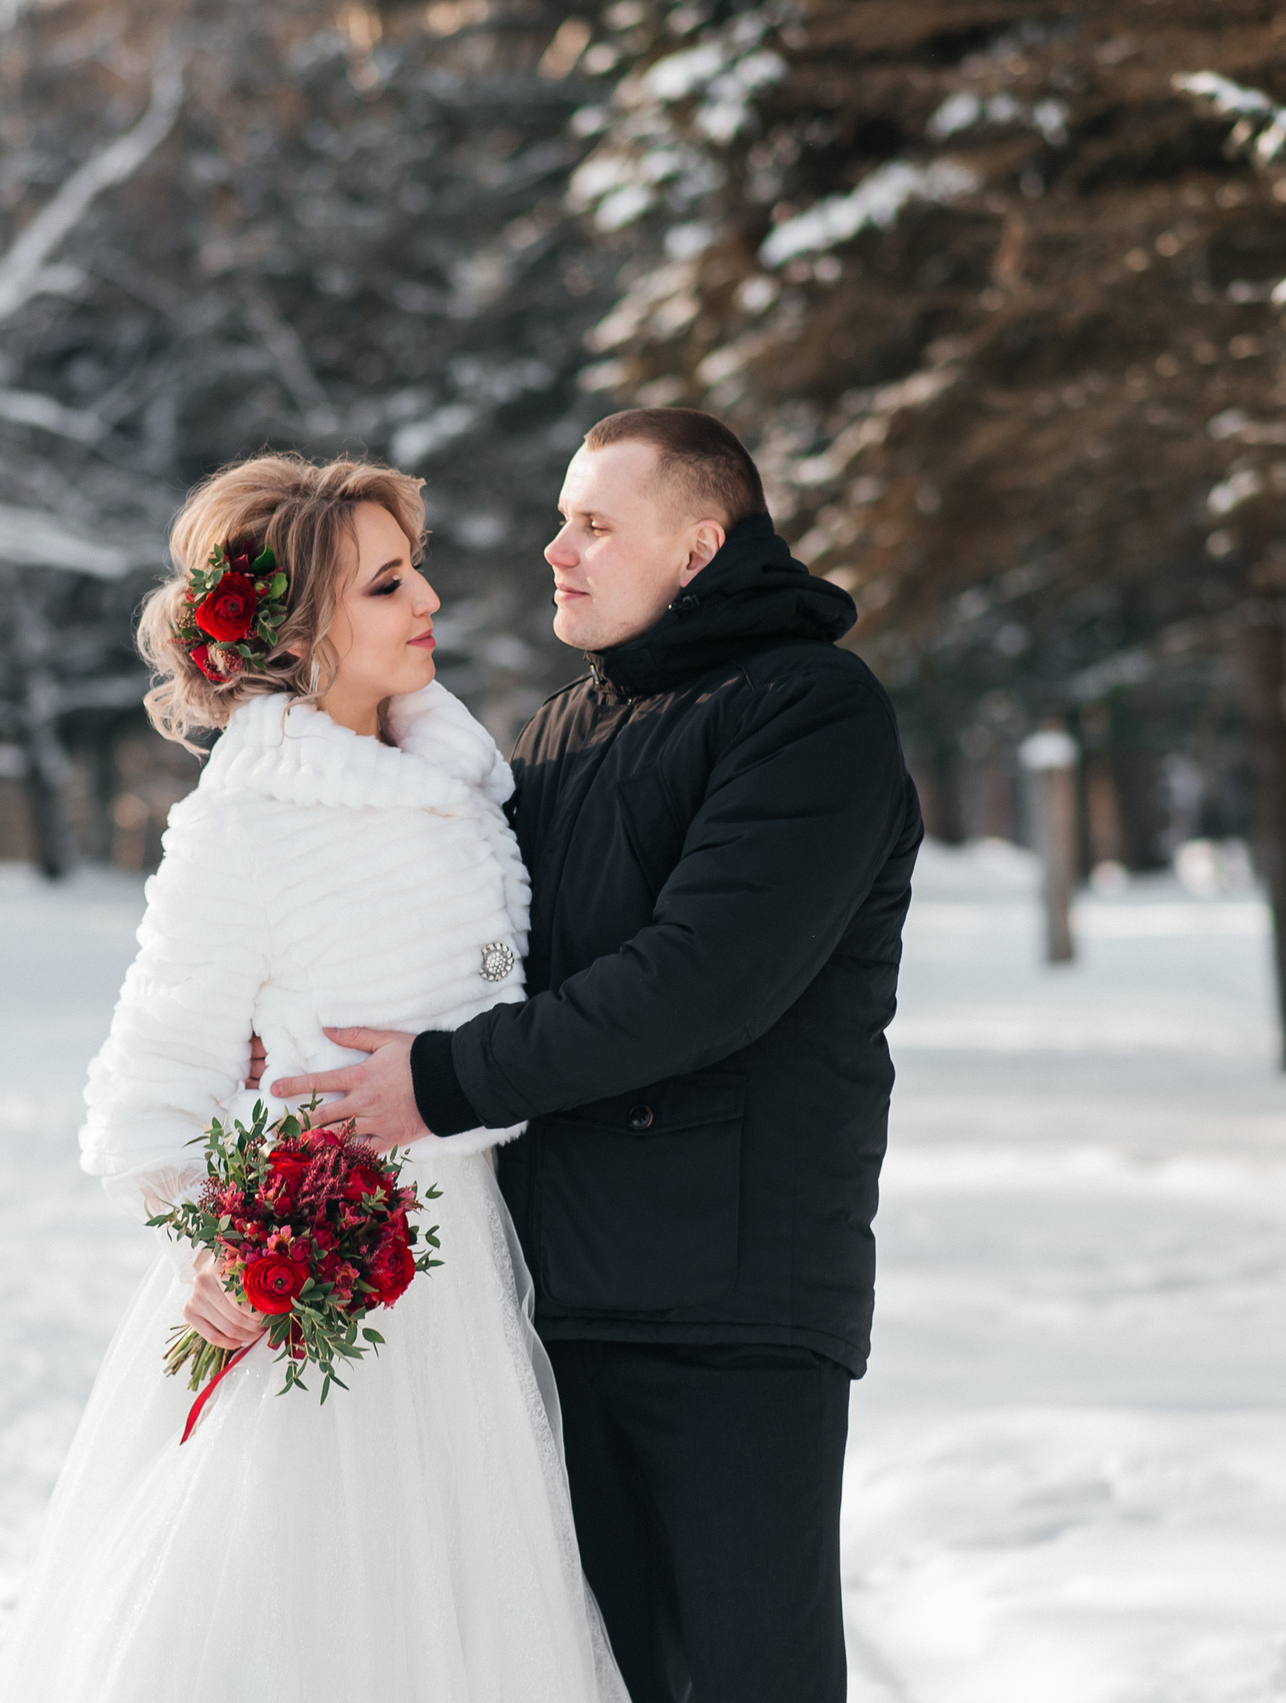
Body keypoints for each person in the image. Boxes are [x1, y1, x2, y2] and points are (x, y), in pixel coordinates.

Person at [271, 408, 923, 1703]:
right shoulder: (566, 727)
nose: (555, 547)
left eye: (594, 522)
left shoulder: (809, 711)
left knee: (747, 1674)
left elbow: (701, 983)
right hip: (555, 1291)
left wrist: (441, 1079)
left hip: (730, 1302)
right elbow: (483, 953)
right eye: (563, 515)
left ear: (697, 545)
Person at [0, 454, 627, 1703]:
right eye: (388, 584)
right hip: (328, 1302)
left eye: (414, 566)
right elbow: (148, 1084)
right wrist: (213, 1251)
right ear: (303, 632)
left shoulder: (467, 783)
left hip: (476, 1275)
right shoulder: (252, 822)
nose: (427, 596)